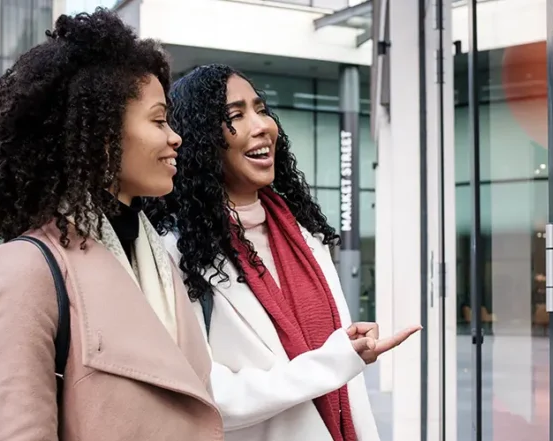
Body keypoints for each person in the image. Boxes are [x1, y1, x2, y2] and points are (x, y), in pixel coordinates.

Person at [0, 10, 221, 441]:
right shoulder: (25, 270)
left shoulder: (156, 255)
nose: (175, 137)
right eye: (159, 120)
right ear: (103, 135)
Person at [148, 64, 420, 441]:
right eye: (236, 116)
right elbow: (207, 393)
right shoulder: (176, 250)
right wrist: (334, 361)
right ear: (201, 139)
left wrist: (348, 351)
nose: (262, 126)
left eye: (261, 109)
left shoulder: (304, 236)